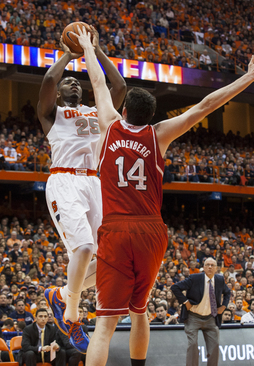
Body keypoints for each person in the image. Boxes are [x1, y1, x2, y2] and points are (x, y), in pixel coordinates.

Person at [74, 26, 254, 366]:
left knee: (105, 324)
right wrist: (249, 78)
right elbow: (207, 104)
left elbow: (97, 83)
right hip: (152, 230)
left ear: (125, 112)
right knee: (140, 311)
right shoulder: (160, 135)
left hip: (117, 228)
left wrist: (87, 48)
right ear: (150, 117)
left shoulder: (109, 125)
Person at [38, 26, 126, 353]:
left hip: (95, 182)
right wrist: (69, 54)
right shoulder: (52, 114)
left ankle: (60, 296)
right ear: (60, 93)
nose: (73, 81)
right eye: (67, 82)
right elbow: (47, 81)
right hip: (64, 180)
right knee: (86, 248)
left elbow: (119, 86)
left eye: (77, 80)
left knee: (109, 260)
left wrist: (97, 50)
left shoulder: (95, 112)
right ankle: (72, 314)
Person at [171, 258, 230, 366]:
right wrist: (185, 301)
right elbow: (175, 287)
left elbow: (228, 292)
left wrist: (224, 306)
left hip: (210, 318)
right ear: (204, 267)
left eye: (212, 265)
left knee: (215, 346)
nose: (210, 267)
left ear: (216, 268)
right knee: (193, 345)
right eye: (207, 264)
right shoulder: (195, 278)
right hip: (193, 317)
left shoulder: (220, 280)